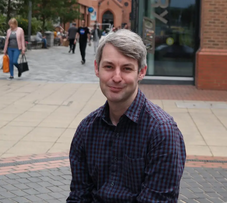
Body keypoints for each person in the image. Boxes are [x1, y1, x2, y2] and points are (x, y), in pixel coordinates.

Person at [67, 30, 186, 202]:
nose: (116, 77)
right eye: (108, 67)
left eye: (126, 68)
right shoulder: (86, 130)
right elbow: (79, 196)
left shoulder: (162, 132)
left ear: (141, 72)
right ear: (96, 68)